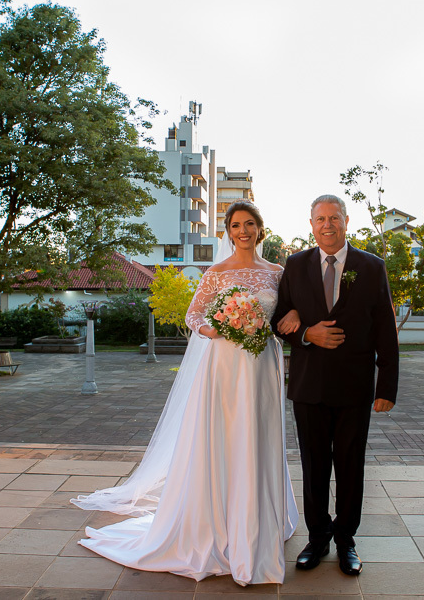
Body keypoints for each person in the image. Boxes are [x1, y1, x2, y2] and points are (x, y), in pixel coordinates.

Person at [72, 200, 300, 586]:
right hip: (225, 367)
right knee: (224, 439)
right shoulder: (216, 272)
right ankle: (218, 525)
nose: (242, 231)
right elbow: (194, 315)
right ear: (227, 231)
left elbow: (287, 314)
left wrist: (291, 317)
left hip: (262, 366)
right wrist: (220, 327)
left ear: (261, 229)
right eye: (235, 225)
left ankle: (259, 519)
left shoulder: (278, 273)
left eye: (249, 224)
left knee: (258, 437)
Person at [271, 194, 399, 576]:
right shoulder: (294, 265)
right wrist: (307, 332)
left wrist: (386, 387)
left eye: (334, 218)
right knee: (313, 466)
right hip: (309, 386)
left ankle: (346, 541)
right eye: (320, 219)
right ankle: (317, 538)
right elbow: (278, 319)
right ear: (311, 224)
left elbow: (385, 329)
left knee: (349, 466)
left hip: (355, 387)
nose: (328, 225)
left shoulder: (371, 267)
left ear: (347, 220)